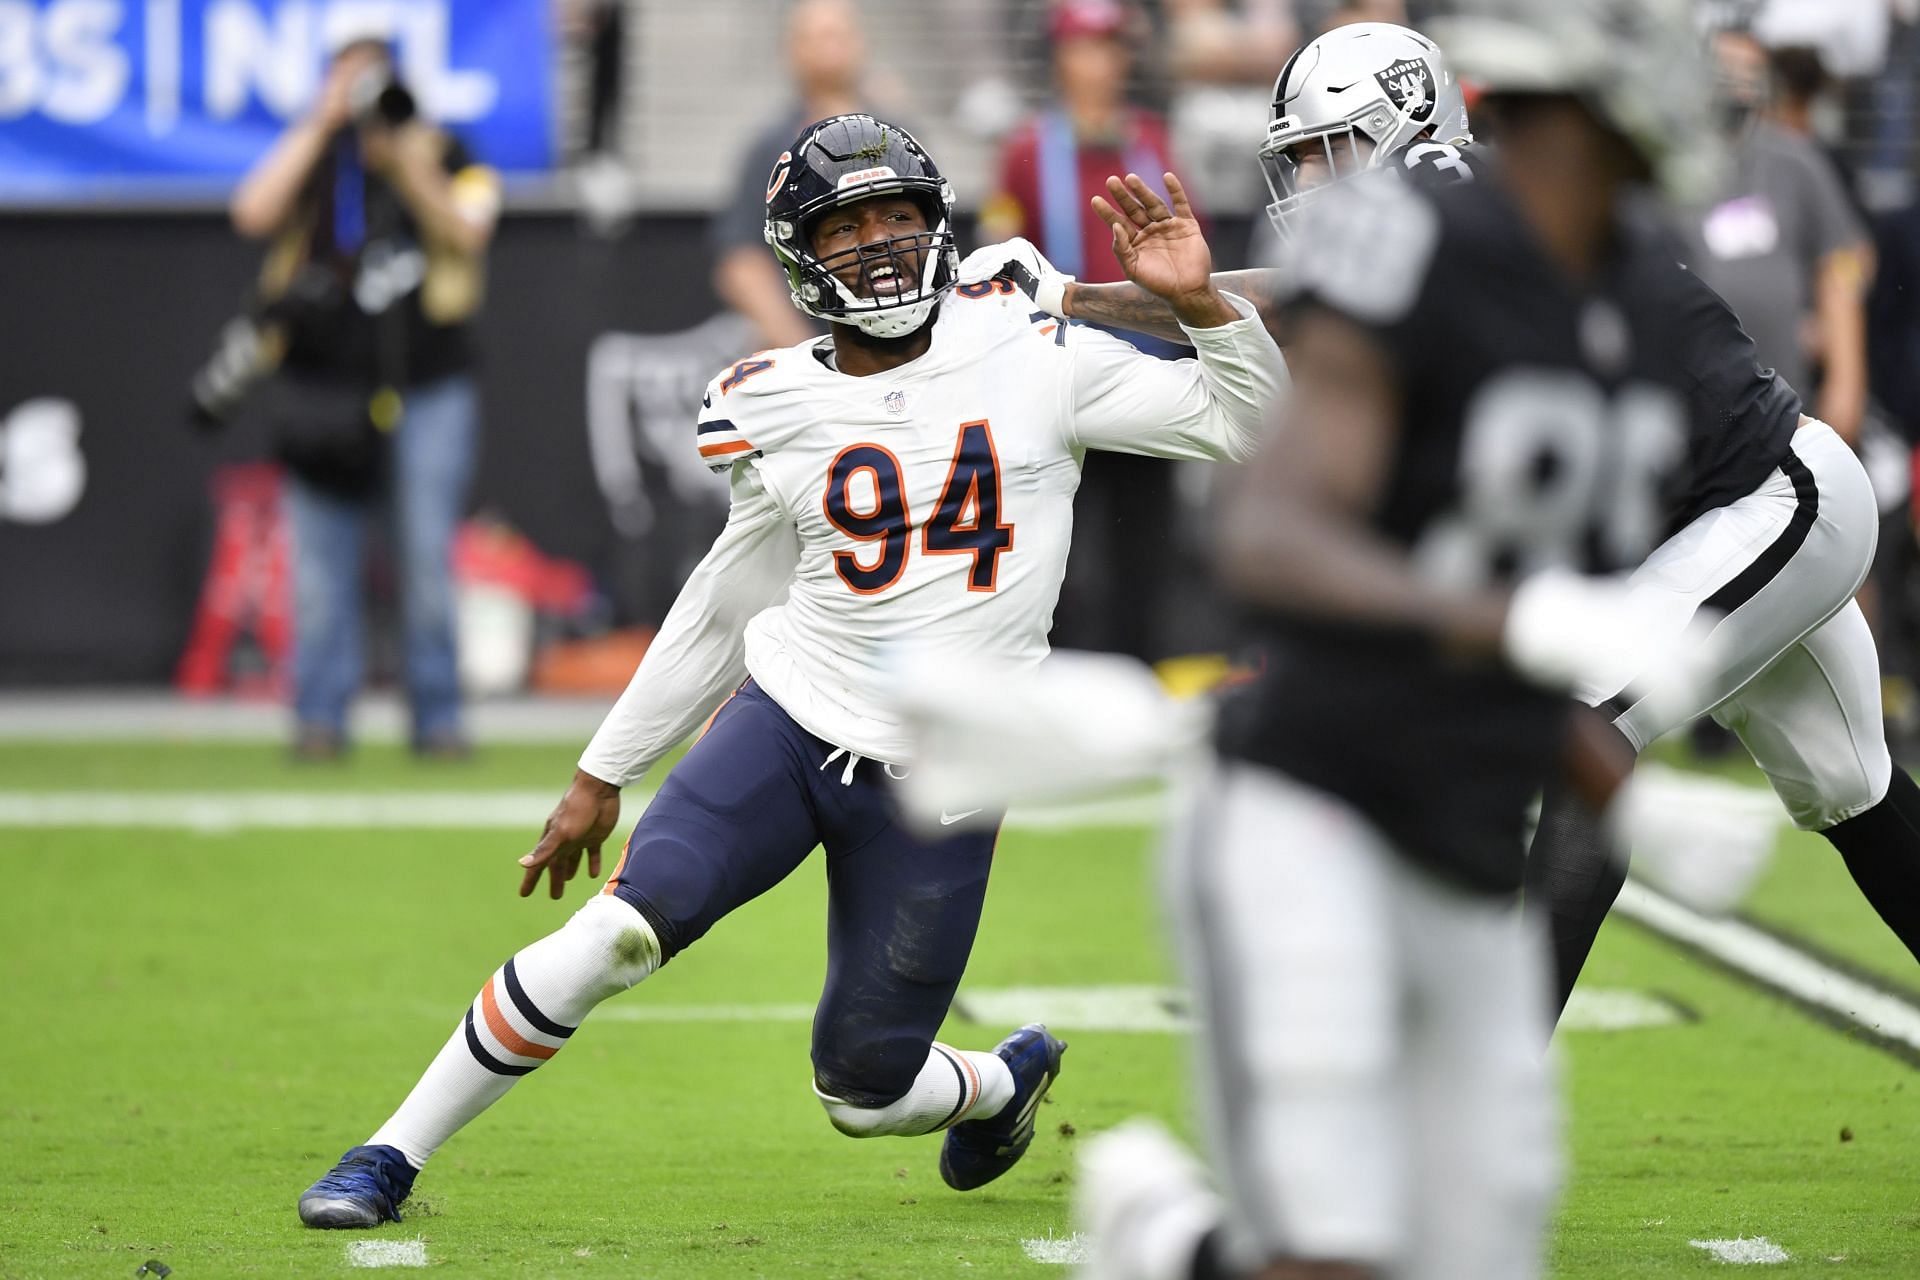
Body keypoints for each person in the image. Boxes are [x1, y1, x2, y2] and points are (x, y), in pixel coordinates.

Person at [293, 112, 1287, 1228]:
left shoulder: (1036, 350)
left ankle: (1002, 1079)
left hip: (946, 768)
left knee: (863, 1091)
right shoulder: (767, 396)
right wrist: (603, 768)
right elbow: (727, 594)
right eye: (847, 224)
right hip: (792, 718)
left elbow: (1259, 427)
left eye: (898, 216)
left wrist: (1205, 309)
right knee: (615, 933)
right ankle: (386, 1153)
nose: (877, 242)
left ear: (939, 225)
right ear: (799, 253)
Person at [976, 16, 1920, 1022]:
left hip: (1772, 495)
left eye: (1321, 152)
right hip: (1704, 519)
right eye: (1292, 160)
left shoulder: (1471, 200)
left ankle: (1499, 1064)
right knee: (1851, 788)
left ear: (1407, 124)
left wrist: (1081, 298)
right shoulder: (1451, 217)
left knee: (1589, 721)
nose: (1303, 186)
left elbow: (1299, 303)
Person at [1062, 3, 1723, 1273]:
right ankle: (1161, 1232)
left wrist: (1610, 778)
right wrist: (1515, 618)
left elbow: (1517, 610)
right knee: (1337, 1251)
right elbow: (1270, 534)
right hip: (1309, 813)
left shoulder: (1641, 303)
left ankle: (1168, 1238)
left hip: (1464, 847)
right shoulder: (1404, 253)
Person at [230, 35, 500, 760]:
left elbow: (470, 229)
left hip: (428, 385)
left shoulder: (446, 151)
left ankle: (438, 720)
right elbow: (252, 212)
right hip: (323, 389)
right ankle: (320, 719)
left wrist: (403, 158)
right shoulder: (316, 155)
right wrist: (320, 126)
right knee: (320, 570)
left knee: (425, 564)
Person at [984, 0, 1196, 663]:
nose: (1098, 64)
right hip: (1059, 378)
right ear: (1059, 59)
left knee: (1145, 546)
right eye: (1083, 49)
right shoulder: (1025, 151)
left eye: (1109, 48)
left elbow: (1191, 251)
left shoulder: (1153, 140)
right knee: (1058, 548)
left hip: (1150, 374)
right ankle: (1062, 689)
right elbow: (1003, 257)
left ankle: (1142, 683)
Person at [709, 0, 877, 350]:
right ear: (790, 50)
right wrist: (806, 350)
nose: (828, 47)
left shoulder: (895, 137)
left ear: (860, 43)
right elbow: (741, 260)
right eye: (814, 37)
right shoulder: (770, 148)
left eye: (836, 34)